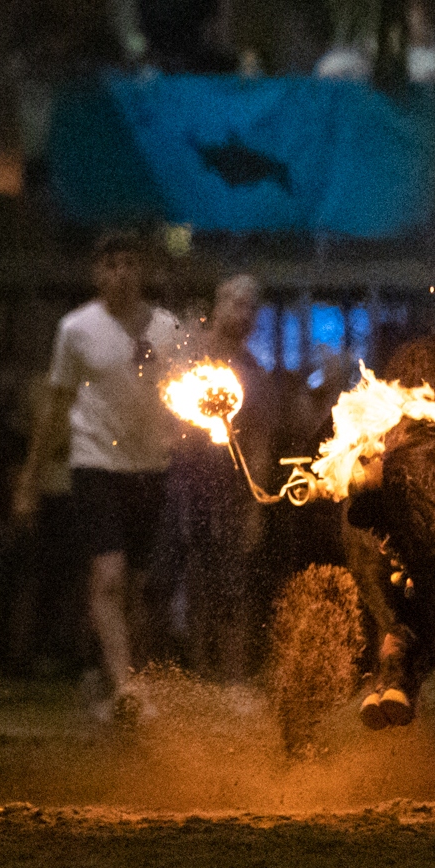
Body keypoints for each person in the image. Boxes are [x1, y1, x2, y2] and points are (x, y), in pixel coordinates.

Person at [12, 232, 180, 720]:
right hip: (95, 462)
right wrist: (31, 477)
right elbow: (57, 401)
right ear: (97, 272)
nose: (121, 274)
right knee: (108, 575)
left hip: (151, 464)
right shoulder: (76, 328)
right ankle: (126, 687)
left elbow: (188, 389)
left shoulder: (166, 327)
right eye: (111, 265)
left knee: (140, 585)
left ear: (142, 271)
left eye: (130, 264)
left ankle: (109, 675)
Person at [164, 275, 270, 684]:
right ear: (218, 305)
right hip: (183, 482)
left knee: (231, 584)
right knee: (187, 580)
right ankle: (196, 673)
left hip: (231, 491)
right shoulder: (190, 358)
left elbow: (258, 442)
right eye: (236, 303)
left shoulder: (252, 372)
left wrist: (255, 507)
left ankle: (232, 678)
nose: (243, 313)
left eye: (251, 307)